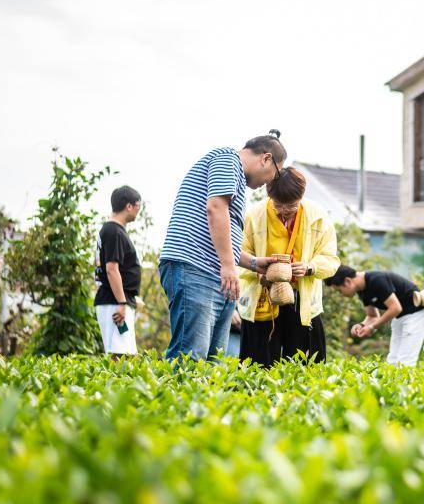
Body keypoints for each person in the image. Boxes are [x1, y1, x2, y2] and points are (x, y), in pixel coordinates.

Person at [160, 132, 287, 362]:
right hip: (194, 268)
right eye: (274, 175)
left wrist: (254, 263)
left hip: (213, 274)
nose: (268, 183)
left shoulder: (234, 175)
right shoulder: (227, 159)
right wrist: (228, 267)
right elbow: (216, 208)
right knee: (189, 358)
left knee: (215, 361)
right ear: (266, 158)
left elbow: (222, 236)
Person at [237, 167, 339, 367]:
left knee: (308, 367)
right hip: (262, 300)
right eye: (278, 205)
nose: (284, 212)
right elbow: (237, 257)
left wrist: (310, 268)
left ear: (301, 197)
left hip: (303, 302)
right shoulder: (253, 216)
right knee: (257, 367)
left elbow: (331, 259)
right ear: (269, 195)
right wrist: (259, 273)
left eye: (291, 206)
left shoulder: (318, 216)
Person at [325, 266, 424, 366]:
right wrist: (362, 325)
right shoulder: (361, 290)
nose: (342, 295)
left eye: (339, 291)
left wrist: (372, 327)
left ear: (347, 281)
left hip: (417, 315)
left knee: (405, 361)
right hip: (400, 317)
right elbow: (372, 316)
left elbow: (395, 307)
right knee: (393, 361)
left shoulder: (376, 279)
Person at [94, 185, 142, 357]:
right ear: (129, 206)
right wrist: (122, 302)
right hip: (115, 302)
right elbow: (112, 269)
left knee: (126, 354)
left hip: (118, 300)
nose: (138, 210)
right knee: (119, 356)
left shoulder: (113, 230)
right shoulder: (114, 231)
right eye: (138, 206)